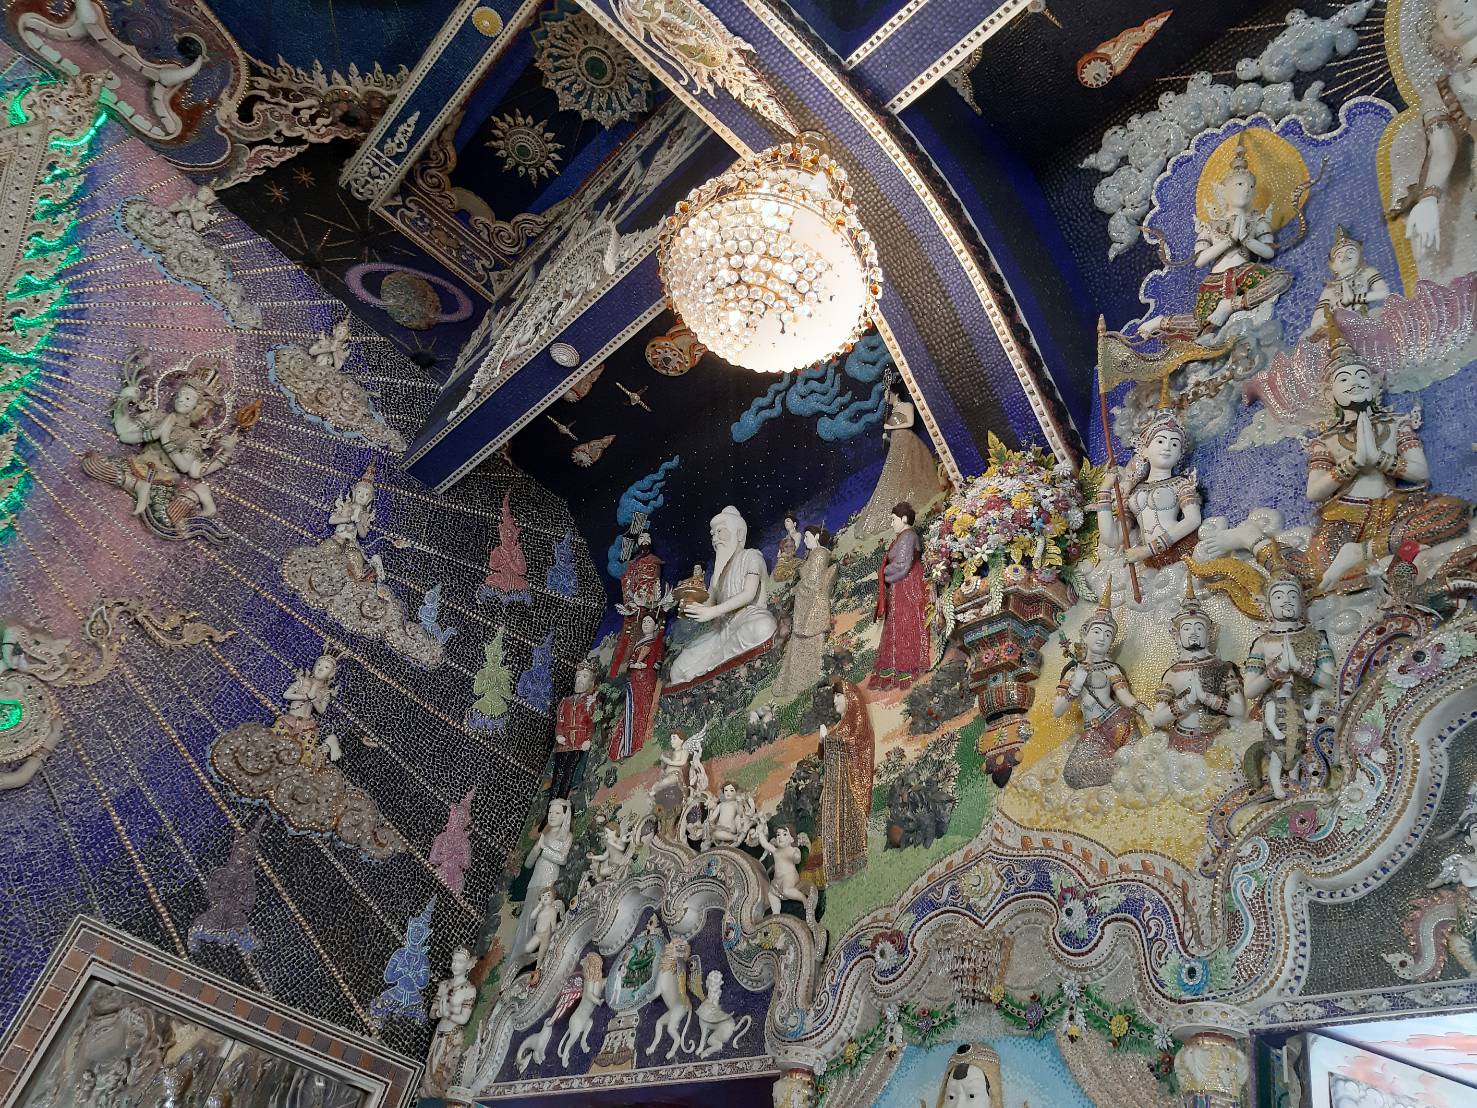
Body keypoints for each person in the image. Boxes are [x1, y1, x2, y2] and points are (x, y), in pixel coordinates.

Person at [668, 506, 777, 686]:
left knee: (764, 627)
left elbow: (749, 594)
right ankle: (713, 662)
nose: (715, 538)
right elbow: (709, 607)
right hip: (723, 631)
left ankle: (709, 665)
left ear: (739, 534)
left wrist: (712, 612)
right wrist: (692, 606)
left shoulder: (751, 557)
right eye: (712, 534)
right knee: (677, 669)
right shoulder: (716, 575)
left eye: (720, 532)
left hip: (748, 618)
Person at [1054, 583, 1147, 788]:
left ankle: (1130, 766)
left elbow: (1124, 696)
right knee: (1073, 774)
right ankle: (1123, 768)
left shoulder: (1110, 668)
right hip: (1092, 730)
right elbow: (1057, 710)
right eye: (1097, 631)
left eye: (1108, 634)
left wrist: (1145, 712)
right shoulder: (1072, 671)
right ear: (1084, 635)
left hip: (1118, 721)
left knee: (1139, 757)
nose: (1102, 637)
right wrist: (1077, 683)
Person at [855, 384, 944, 537]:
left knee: (910, 469)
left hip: (908, 441)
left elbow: (909, 423)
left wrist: (890, 426)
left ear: (895, 393)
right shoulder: (892, 412)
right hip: (896, 446)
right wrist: (887, 438)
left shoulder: (906, 406)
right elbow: (896, 434)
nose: (885, 398)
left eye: (887, 394)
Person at [771, 524, 838, 701]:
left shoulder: (820, 554)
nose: (805, 540)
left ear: (816, 537)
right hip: (806, 605)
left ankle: (805, 681)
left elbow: (813, 582)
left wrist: (795, 589)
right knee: (800, 646)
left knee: (808, 645)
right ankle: (795, 682)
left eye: (807, 537)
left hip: (813, 606)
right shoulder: (813, 554)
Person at [820, 680, 875, 882]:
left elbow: (858, 743)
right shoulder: (838, 727)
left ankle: (855, 862)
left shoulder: (857, 723)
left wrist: (829, 740)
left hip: (851, 785)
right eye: (833, 696)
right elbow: (824, 755)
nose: (834, 700)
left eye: (838, 695)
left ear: (850, 697)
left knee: (850, 823)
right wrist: (823, 742)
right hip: (835, 788)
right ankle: (835, 869)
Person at [871, 503, 930, 690]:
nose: (891, 523)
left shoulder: (908, 536)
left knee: (907, 624)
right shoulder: (901, 537)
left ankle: (909, 667)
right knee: (899, 626)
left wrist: (883, 573)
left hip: (908, 586)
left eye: (893, 519)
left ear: (904, 519)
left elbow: (902, 565)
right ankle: (898, 669)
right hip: (901, 587)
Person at [608, 614, 664, 760]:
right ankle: (624, 746)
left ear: (655, 626)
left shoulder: (656, 641)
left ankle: (637, 743)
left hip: (647, 678)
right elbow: (631, 661)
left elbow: (658, 660)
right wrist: (635, 665)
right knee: (631, 710)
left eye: (649, 621)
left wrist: (650, 665)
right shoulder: (638, 643)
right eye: (644, 621)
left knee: (642, 709)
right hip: (634, 680)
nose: (646, 624)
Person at [550, 663, 598, 799]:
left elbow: (591, 722)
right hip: (564, 742)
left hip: (578, 741)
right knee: (558, 771)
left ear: (591, 682)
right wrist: (559, 734)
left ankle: (562, 799)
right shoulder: (565, 701)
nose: (580, 680)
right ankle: (552, 799)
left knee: (570, 771)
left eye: (584, 677)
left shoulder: (591, 701)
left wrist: (588, 739)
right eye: (578, 676)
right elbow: (560, 720)